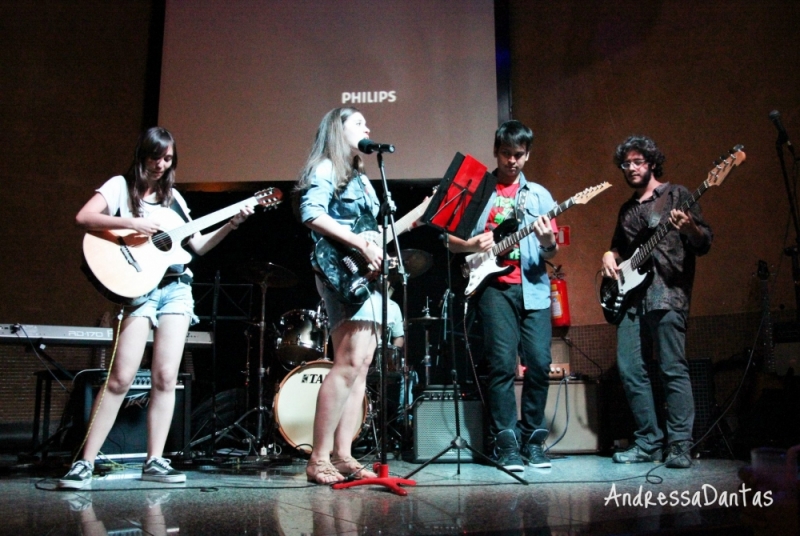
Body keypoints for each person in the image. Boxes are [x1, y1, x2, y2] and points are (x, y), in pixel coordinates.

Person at [58, 127, 253, 489]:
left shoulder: (175, 199)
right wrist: (131, 222)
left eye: (168, 159)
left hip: (178, 289)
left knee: (166, 378)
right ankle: (84, 462)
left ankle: (155, 461)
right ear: (143, 155)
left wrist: (232, 222)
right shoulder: (119, 186)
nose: (162, 165)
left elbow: (199, 246)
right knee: (120, 378)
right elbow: (84, 218)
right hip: (140, 292)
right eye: (156, 157)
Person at [448, 120, 558, 472]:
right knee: (500, 367)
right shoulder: (479, 191)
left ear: (528, 155)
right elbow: (449, 241)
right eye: (507, 154)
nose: (513, 161)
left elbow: (552, 248)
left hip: (534, 288)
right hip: (494, 289)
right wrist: (472, 243)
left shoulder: (539, 195)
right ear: (496, 152)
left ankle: (533, 440)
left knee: (539, 364)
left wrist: (546, 242)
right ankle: (506, 444)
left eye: (520, 155)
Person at [601, 135, 712, 468]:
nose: (632, 168)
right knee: (630, 369)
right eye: (626, 163)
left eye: (638, 162)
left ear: (651, 163)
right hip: (630, 299)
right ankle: (648, 441)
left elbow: (703, 242)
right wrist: (608, 254)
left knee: (672, 370)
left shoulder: (677, 195)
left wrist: (690, 227)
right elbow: (619, 249)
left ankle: (679, 445)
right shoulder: (627, 210)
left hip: (667, 293)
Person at [296, 107, 386, 484]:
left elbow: (371, 227)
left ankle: (344, 454)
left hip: (363, 275)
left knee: (361, 365)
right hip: (341, 272)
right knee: (347, 362)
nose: (367, 127)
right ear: (338, 129)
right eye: (359, 123)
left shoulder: (362, 177)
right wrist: (361, 247)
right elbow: (311, 214)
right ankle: (318, 459)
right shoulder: (326, 168)